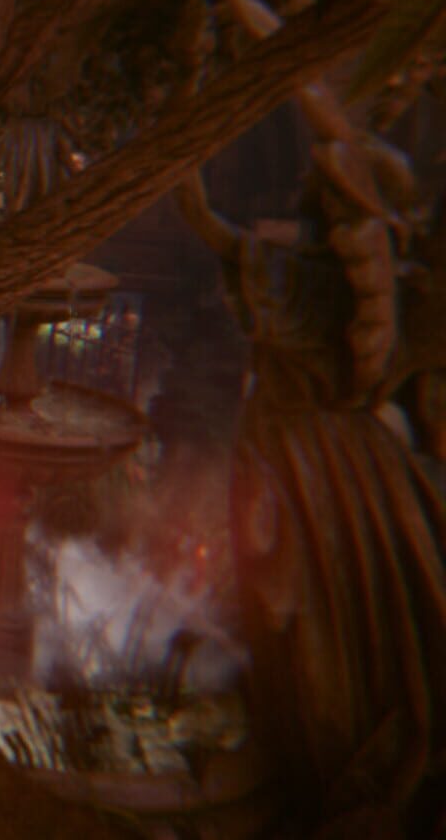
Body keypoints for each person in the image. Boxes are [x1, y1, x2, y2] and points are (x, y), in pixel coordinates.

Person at [178, 144, 446, 835]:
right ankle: (317, 765)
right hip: (335, 468)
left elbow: (215, 230)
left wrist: (184, 163)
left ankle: (321, 776)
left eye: (325, 189)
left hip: (310, 472)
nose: (310, 194)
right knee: (322, 626)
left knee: (308, 625)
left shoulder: (317, 287)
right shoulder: (352, 283)